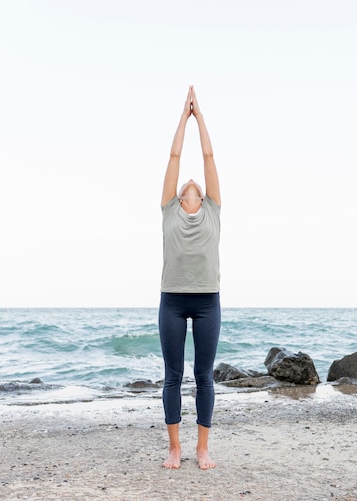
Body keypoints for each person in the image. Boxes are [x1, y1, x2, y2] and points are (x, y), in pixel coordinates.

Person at [159, 86, 221, 470]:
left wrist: (202, 118)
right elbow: (175, 156)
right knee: (173, 376)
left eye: (196, 183)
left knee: (203, 376)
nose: (192, 181)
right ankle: (175, 448)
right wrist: (183, 116)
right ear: (181, 195)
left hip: (207, 300)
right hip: (173, 299)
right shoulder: (169, 209)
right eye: (186, 184)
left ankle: (202, 448)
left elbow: (208, 155)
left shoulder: (214, 208)